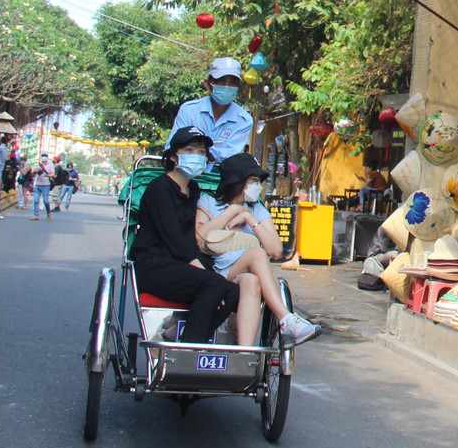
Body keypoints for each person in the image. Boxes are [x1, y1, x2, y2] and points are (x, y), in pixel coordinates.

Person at [194, 152, 320, 346]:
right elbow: (199, 237)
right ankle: (285, 319)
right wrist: (233, 211)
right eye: (253, 180)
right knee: (256, 253)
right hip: (216, 271)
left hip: (242, 274)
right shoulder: (209, 203)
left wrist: (249, 219)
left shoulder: (257, 210)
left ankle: (244, 353)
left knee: (252, 281)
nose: (257, 186)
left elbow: (276, 250)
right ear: (239, 181)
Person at [131, 126, 240, 344]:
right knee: (215, 285)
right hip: (153, 264)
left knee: (232, 293)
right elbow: (173, 237)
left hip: (178, 266)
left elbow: (190, 235)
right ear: (173, 156)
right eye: (189, 150)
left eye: (201, 153)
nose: (197, 157)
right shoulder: (159, 188)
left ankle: (185, 340)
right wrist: (204, 271)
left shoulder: (194, 190)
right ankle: (190, 349)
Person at [167, 57, 254, 166]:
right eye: (221, 80)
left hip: (220, 179)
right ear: (208, 84)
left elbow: (232, 154)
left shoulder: (244, 120)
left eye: (232, 82)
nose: (227, 86)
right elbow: (173, 146)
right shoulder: (189, 110)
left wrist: (197, 151)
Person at [28, 152, 56, 220]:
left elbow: (53, 174)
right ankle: (36, 215)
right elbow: (31, 175)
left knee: (46, 201)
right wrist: (35, 171)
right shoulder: (37, 165)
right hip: (38, 184)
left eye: (45, 156)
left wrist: (46, 175)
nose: (44, 157)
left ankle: (48, 213)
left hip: (46, 185)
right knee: (36, 200)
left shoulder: (50, 165)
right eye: (43, 156)